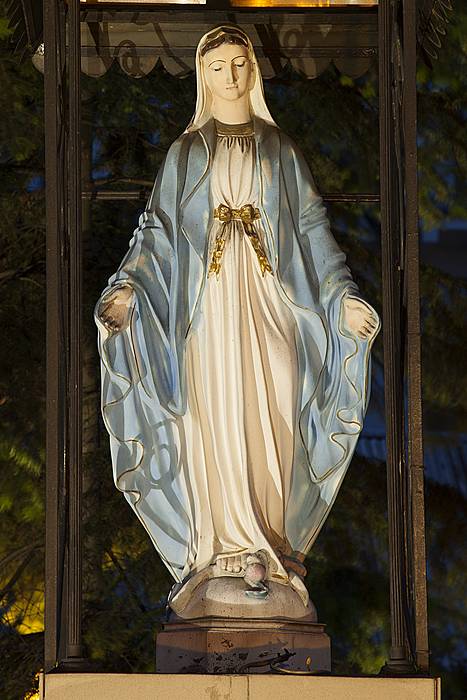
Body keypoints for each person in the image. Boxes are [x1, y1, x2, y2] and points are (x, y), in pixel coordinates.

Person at [95, 25, 379, 612]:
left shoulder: (280, 149)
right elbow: (157, 231)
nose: (230, 75)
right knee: (214, 413)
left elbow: (312, 228)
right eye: (218, 65)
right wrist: (127, 286)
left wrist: (342, 293)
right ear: (204, 76)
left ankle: (271, 546)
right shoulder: (185, 154)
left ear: (253, 71)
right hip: (207, 305)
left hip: (274, 298)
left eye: (239, 62)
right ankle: (220, 551)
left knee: (276, 405)